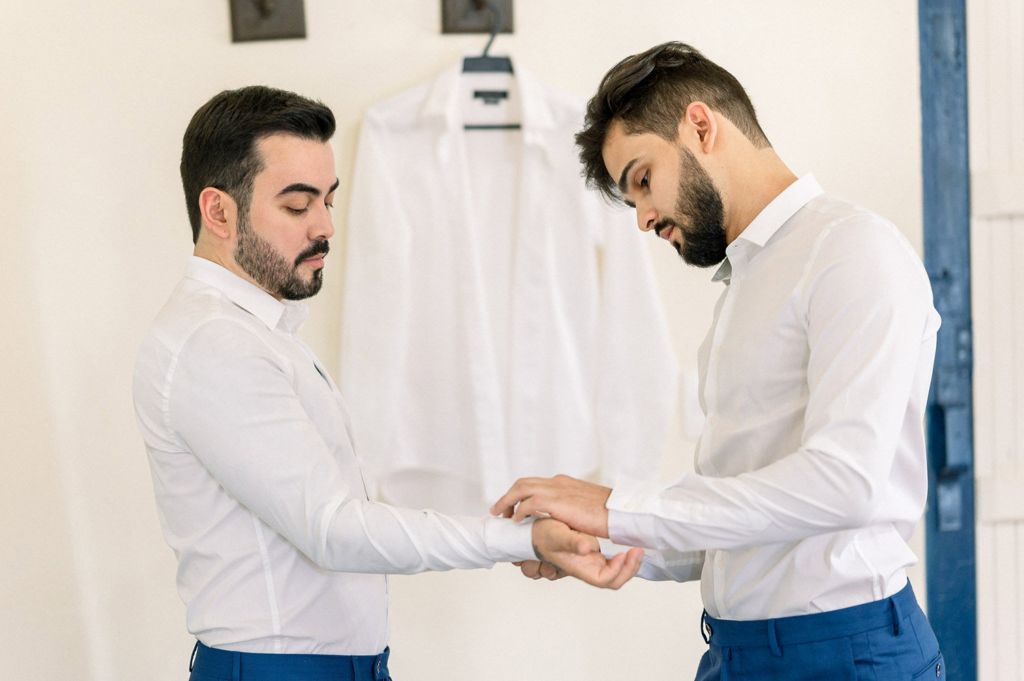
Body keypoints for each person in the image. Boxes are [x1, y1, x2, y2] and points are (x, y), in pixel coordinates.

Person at [132, 85, 643, 681]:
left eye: (328, 200)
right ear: (218, 211)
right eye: (298, 207)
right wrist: (521, 540)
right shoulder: (216, 344)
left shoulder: (253, 331)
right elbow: (331, 529)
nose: (324, 226)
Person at [492, 42, 947, 680]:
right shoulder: (748, 280)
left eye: (643, 180)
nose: (645, 218)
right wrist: (599, 537)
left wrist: (617, 507)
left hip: (845, 654)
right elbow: (738, 517)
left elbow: (845, 484)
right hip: (736, 654)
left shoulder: (852, 251)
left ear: (701, 126)